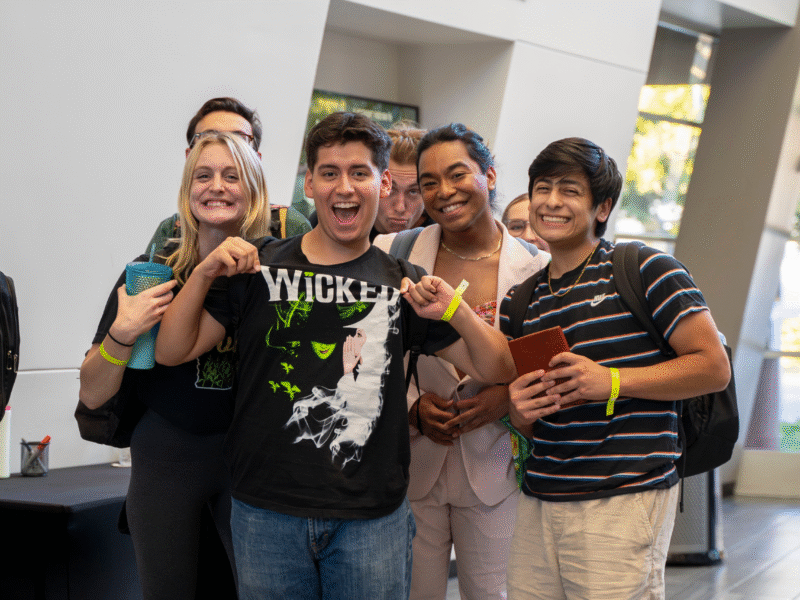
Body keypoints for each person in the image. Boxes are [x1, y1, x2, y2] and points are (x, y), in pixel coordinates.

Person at [154, 111, 517, 600]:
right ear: (310, 183)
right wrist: (203, 274)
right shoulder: (261, 264)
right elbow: (172, 350)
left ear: (384, 183)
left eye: (360, 173)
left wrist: (455, 308)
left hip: (372, 521)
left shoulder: (400, 279)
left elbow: (499, 368)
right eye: (329, 173)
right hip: (266, 513)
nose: (344, 187)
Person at [500, 137, 731, 600]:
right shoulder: (520, 301)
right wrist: (519, 411)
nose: (551, 201)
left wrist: (611, 381)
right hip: (540, 497)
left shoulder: (645, 268)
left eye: (569, 190)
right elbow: (524, 414)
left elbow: (713, 367)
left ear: (602, 207)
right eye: (542, 187)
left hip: (624, 494)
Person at [79, 132, 271, 600]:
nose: (216, 186)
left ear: (255, 191)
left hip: (250, 458)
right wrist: (122, 333)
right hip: (167, 454)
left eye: (232, 176)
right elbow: (92, 394)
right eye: (202, 176)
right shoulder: (151, 273)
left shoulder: (277, 273)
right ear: (187, 192)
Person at [374, 123, 549, 600]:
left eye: (457, 175)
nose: (443, 192)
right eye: (429, 182)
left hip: (497, 467)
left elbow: (543, 371)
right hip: (412, 465)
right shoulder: (393, 254)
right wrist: (411, 408)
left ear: (489, 176)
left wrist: (502, 400)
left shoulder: (535, 269)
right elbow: (369, 356)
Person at [146, 97, 311, 252]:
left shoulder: (288, 225)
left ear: (256, 163)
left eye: (238, 139)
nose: (222, 145)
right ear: (190, 158)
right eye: (208, 137)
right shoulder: (171, 230)